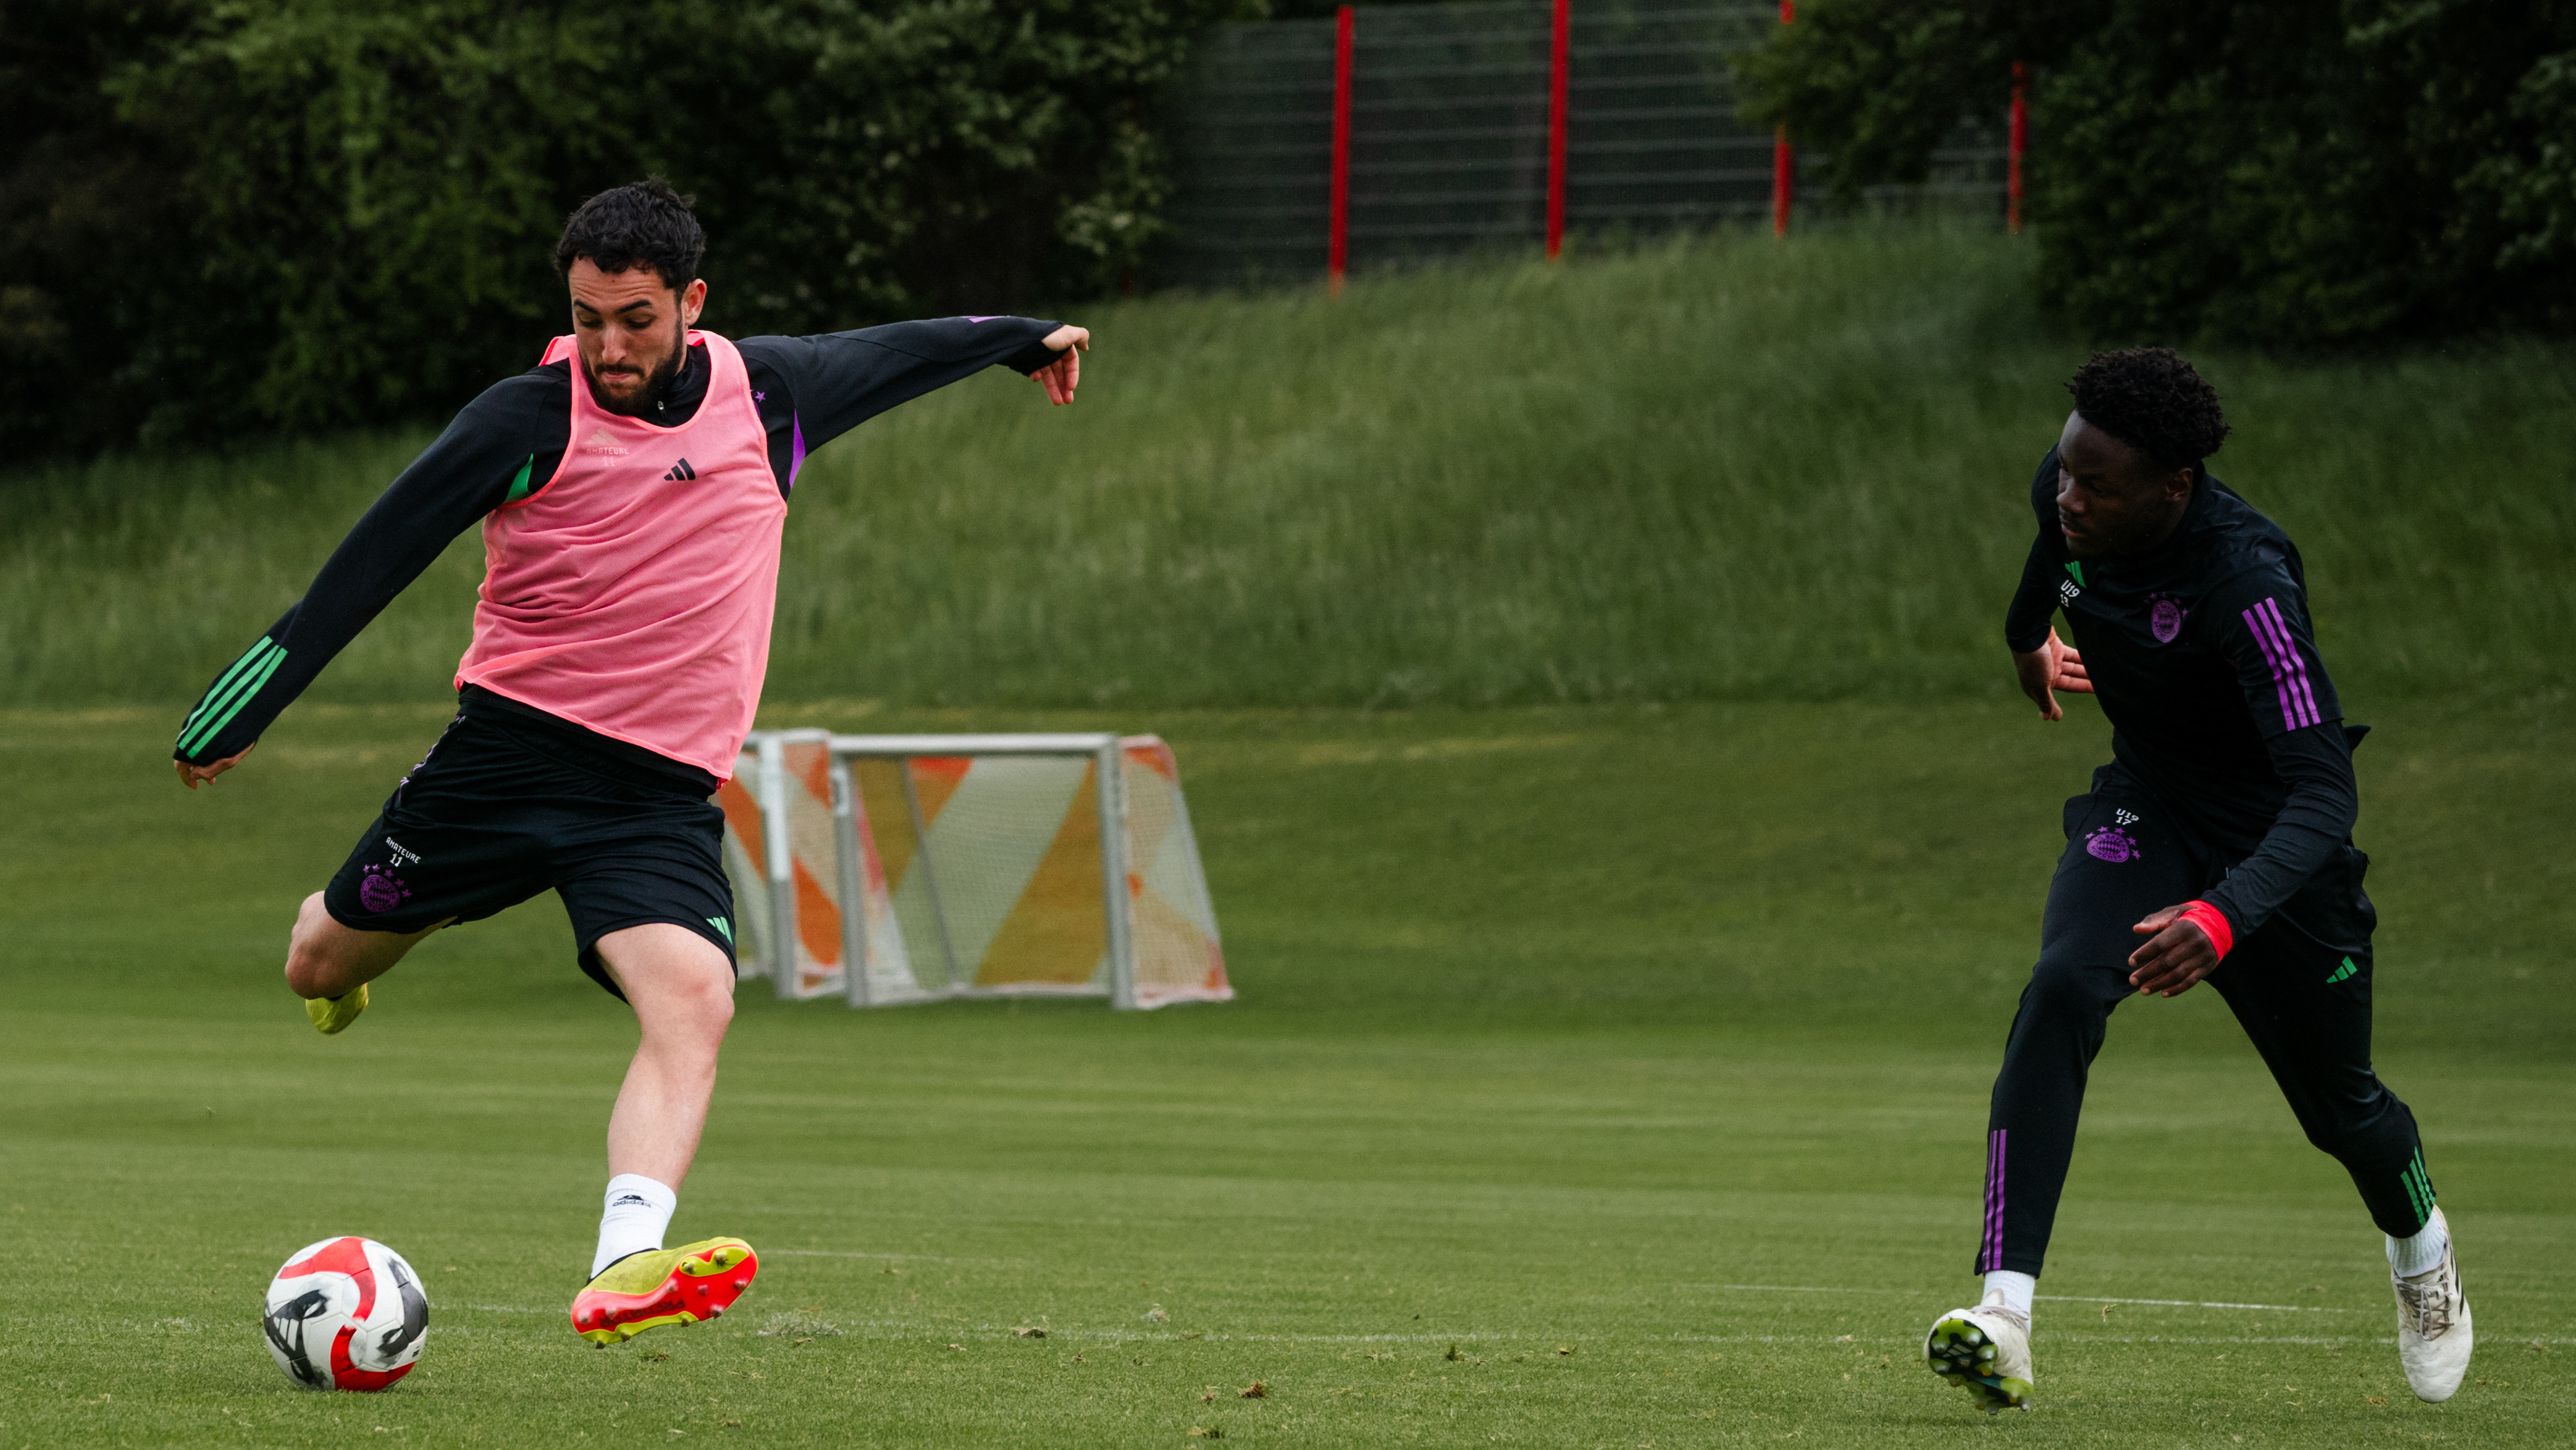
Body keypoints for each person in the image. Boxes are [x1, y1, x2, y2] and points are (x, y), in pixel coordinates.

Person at [172, 178, 1088, 1346]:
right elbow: (374, 559)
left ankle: (625, 1262)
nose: (610, 346)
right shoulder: (524, 419)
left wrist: (1024, 341)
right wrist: (240, 711)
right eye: (589, 317)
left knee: (697, 1000)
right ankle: (355, 952)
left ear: (691, 303)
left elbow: (899, 351)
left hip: (655, 799)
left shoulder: (770, 394)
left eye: (637, 320)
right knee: (315, 963)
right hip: (503, 766)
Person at [1922, 348, 2471, 1412]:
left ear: (2174, 487)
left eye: (2097, 485)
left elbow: (2324, 793)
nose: (2067, 494)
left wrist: (2226, 915)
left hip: (2276, 856)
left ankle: (2423, 1250)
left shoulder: (2247, 580)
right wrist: (2024, 641)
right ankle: (2004, 1310)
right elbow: (2044, 576)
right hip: (2150, 809)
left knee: (2344, 1114)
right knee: (2064, 985)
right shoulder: (2069, 490)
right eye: (2068, 469)